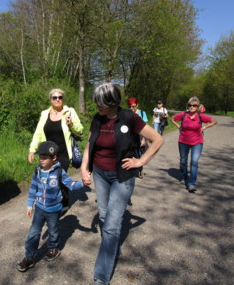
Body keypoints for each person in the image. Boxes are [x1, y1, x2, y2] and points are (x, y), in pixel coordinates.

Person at [81, 83, 164, 285]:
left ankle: (101, 277)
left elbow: (158, 139)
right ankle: (112, 247)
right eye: (96, 103)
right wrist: (85, 168)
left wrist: (141, 161)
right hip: (100, 174)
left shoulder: (129, 117)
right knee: (102, 215)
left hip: (122, 177)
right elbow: (90, 143)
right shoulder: (98, 118)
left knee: (110, 226)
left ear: (112, 102)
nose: (97, 107)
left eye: (101, 103)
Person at [17, 141, 85, 272]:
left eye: (44, 158)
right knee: (33, 233)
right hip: (39, 208)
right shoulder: (37, 170)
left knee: (53, 231)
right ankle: (29, 257)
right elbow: (33, 188)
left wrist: (82, 183)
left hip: (54, 209)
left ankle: (53, 247)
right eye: (40, 157)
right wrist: (30, 204)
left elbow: (70, 185)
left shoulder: (59, 172)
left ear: (53, 158)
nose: (41, 160)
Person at [28, 89, 83, 209]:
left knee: (58, 177)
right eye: (54, 97)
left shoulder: (70, 111)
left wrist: (71, 124)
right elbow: (38, 133)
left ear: (63, 99)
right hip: (47, 153)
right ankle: (51, 202)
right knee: (49, 178)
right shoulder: (44, 114)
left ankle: (63, 202)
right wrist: (32, 149)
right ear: (50, 100)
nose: (57, 99)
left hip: (63, 152)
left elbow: (80, 130)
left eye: (60, 97)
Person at [171, 96, 217, 193]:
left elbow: (214, 121)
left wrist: (204, 128)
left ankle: (192, 183)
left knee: (194, 162)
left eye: (194, 105)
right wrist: (179, 126)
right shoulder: (184, 114)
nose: (191, 107)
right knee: (183, 160)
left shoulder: (201, 116)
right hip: (183, 141)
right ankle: (183, 177)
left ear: (198, 106)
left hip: (197, 142)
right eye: (190, 105)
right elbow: (173, 118)